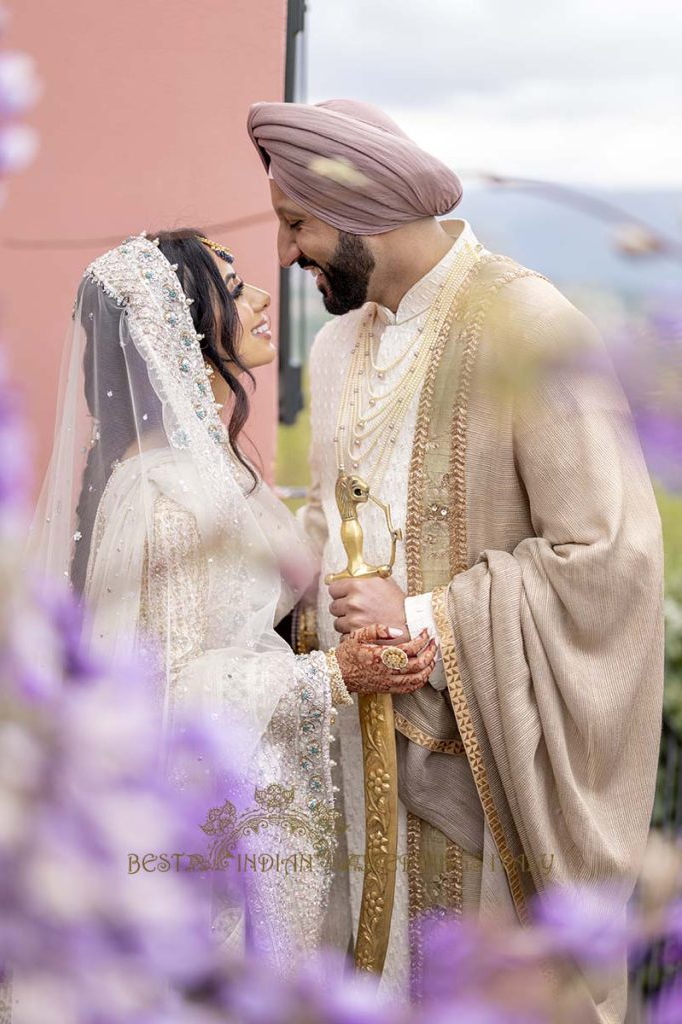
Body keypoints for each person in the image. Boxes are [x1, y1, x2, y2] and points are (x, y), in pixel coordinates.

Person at [248, 99, 665, 1019]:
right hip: (354, 768)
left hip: (483, 780)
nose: (285, 255)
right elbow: (331, 526)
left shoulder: (528, 326)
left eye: (296, 225)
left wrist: (427, 617)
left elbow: (610, 555)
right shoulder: (334, 344)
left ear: (363, 213)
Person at [27, 228, 437, 974]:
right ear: (177, 328)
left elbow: (244, 614)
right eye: (231, 285)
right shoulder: (161, 495)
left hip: (264, 803)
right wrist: (330, 674)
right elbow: (170, 688)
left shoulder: (203, 466)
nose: (256, 299)